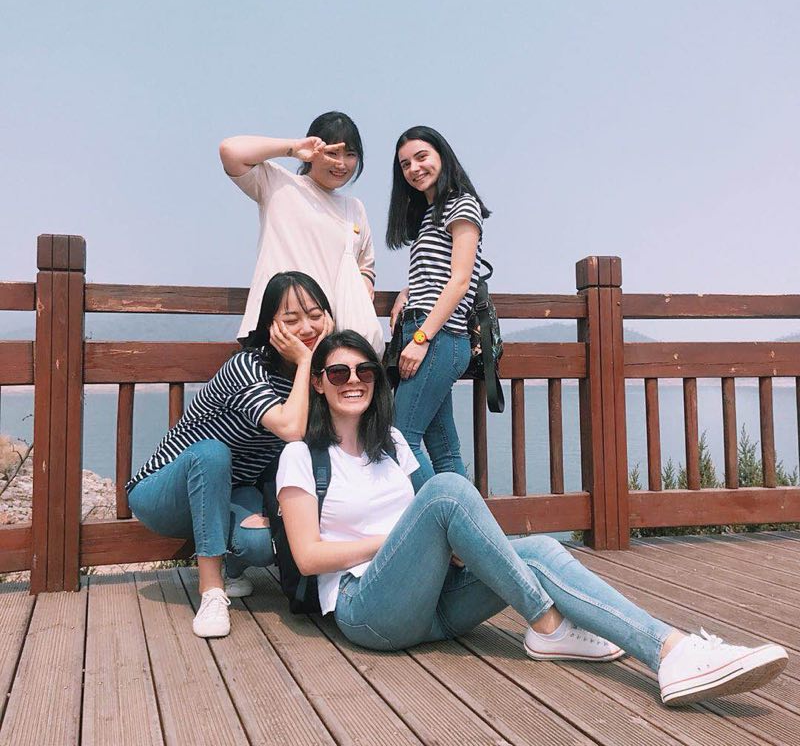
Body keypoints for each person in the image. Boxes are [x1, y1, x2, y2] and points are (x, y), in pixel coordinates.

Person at [275, 330, 788, 707]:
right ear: (319, 383)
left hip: (434, 605)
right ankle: (547, 624)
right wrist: (392, 544)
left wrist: (450, 546)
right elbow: (308, 557)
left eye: (364, 371)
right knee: (449, 489)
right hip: (369, 612)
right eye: (338, 373)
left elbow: (430, 520)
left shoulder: (395, 445)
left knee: (540, 549)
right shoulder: (301, 456)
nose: (353, 381)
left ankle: (671, 652)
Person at [127, 272, 333, 638]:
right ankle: (211, 591)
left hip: (232, 491)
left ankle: (230, 568)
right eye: (291, 319)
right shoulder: (247, 367)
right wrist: (305, 361)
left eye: (316, 315)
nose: (306, 328)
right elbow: (290, 428)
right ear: (270, 326)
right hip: (164, 492)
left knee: (260, 543)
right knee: (212, 453)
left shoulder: (316, 378)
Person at [219, 111, 384, 355]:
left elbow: (365, 265)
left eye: (350, 154)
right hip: (278, 333)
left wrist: (365, 281)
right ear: (313, 151)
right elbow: (230, 151)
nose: (341, 163)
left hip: (327, 338)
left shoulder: (354, 209)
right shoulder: (279, 184)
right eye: (332, 153)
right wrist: (294, 148)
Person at [385, 126, 489, 489]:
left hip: (438, 335)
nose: (414, 168)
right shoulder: (430, 213)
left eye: (421, 157)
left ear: (442, 155)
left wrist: (421, 337)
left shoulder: (462, 203)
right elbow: (437, 273)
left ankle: (437, 515)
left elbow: (460, 280)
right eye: (405, 164)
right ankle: (463, 523)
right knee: (444, 449)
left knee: (398, 439)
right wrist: (407, 292)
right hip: (429, 332)